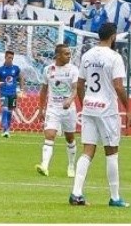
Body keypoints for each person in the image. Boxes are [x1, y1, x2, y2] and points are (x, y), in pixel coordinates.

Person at [70, 22, 131, 208]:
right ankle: (114, 197)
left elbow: (80, 84)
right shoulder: (114, 57)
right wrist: (128, 109)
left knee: (87, 151)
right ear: (113, 36)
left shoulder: (87, 55)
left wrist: (86, 104)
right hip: (107, 109)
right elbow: (118, 86)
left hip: (89, 106)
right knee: (111, 152)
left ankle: (76, 193)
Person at [36, 43, 79, 178]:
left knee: (70, 138)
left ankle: (71, 165)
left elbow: (75, 89)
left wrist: (70, 100)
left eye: (69, 53)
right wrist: (40, 109)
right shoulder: (48, 70)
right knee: (49, 135)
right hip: (53, 108)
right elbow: (43, 90)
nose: (69, 56)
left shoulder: (73, 70)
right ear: (58, 55)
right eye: (66, 54)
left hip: (68, 109)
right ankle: (44, 166)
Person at [0, 48, 24, 138]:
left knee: (10, 111)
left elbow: (21, 78)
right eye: (9, 58)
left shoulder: (16, 69)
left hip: (13, 94)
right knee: (4, 109)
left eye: (12, 58)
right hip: (3, 93)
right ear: (5, 57)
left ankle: (6, 130)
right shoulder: (0, 70)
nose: (11, 60)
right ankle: (5, 126)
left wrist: (21, 90)